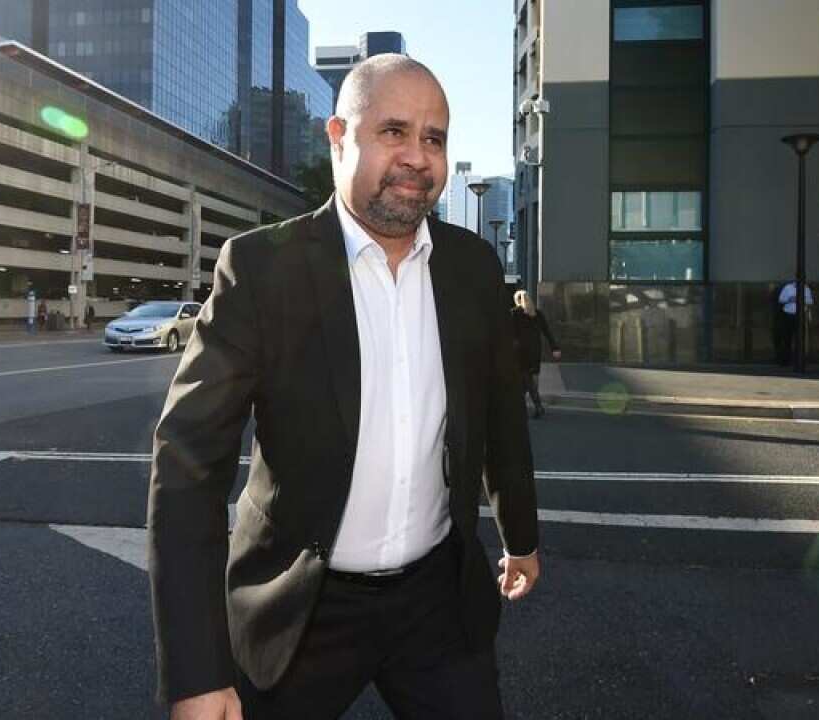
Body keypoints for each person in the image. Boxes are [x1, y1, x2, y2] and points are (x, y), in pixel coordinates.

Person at [150, 54, 539, 720]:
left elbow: (501, 412)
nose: (418, 156)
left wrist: (522, 536)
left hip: (437, 606)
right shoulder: (260, 270)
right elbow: (188, 469)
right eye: (395, 131)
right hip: (301, 610)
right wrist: (196, 673)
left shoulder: (472, 269)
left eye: (435, 138)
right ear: (339, 137)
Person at [511, 289, 561, 418]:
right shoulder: (538, 314)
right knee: (527, 381)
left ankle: (538, 406)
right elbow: (547, 332)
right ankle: (519, 408)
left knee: (526, 380)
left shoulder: (514, 313)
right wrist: (554, 348)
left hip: (520, 353)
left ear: (517, 301)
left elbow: (508, 333)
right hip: (535, 352)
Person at [774, 280, 814, 366]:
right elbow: (781, 300)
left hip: (801, 316)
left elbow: (811, 301)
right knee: (787, 338)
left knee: (800, 339)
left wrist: (801, 299)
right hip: (788, 315)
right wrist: (790, 299)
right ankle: (785, 361)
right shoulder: (787, 288)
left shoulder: (806, 289)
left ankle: (799, 361)